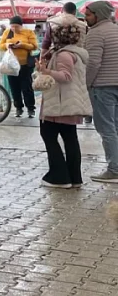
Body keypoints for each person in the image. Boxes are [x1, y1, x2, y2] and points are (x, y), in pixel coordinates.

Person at [36, 23, 91, 188]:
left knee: (48, 135)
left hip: (59, 104)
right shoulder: (75, 53)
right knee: (70, 138)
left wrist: (47, 72)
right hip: (68, 102)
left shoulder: (64, 55)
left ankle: (59, 176)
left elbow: (65, 76)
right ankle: (74, 177)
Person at [85, 0, 118, 183]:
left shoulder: (96, 33)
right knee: (116, 127)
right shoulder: (116, 29)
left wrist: (86, 84)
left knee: (106, 129)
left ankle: (114, 169)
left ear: (98, 15)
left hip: (103, 87)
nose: (86, 18)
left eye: (89, 15)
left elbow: (93, 63)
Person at [0, 15, 38, 118]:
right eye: (12, 26)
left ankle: (30, 108)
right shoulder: (7, 32)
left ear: (21, 26)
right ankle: (18, 107)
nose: (14, 29)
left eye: (16, 26)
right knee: (14, 88)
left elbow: (34, 46)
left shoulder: (28, 33)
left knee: (27, 87)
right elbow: (1, 46)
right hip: (11, 66)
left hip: (24, 64)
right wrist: (7, 45)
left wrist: (22, 45)